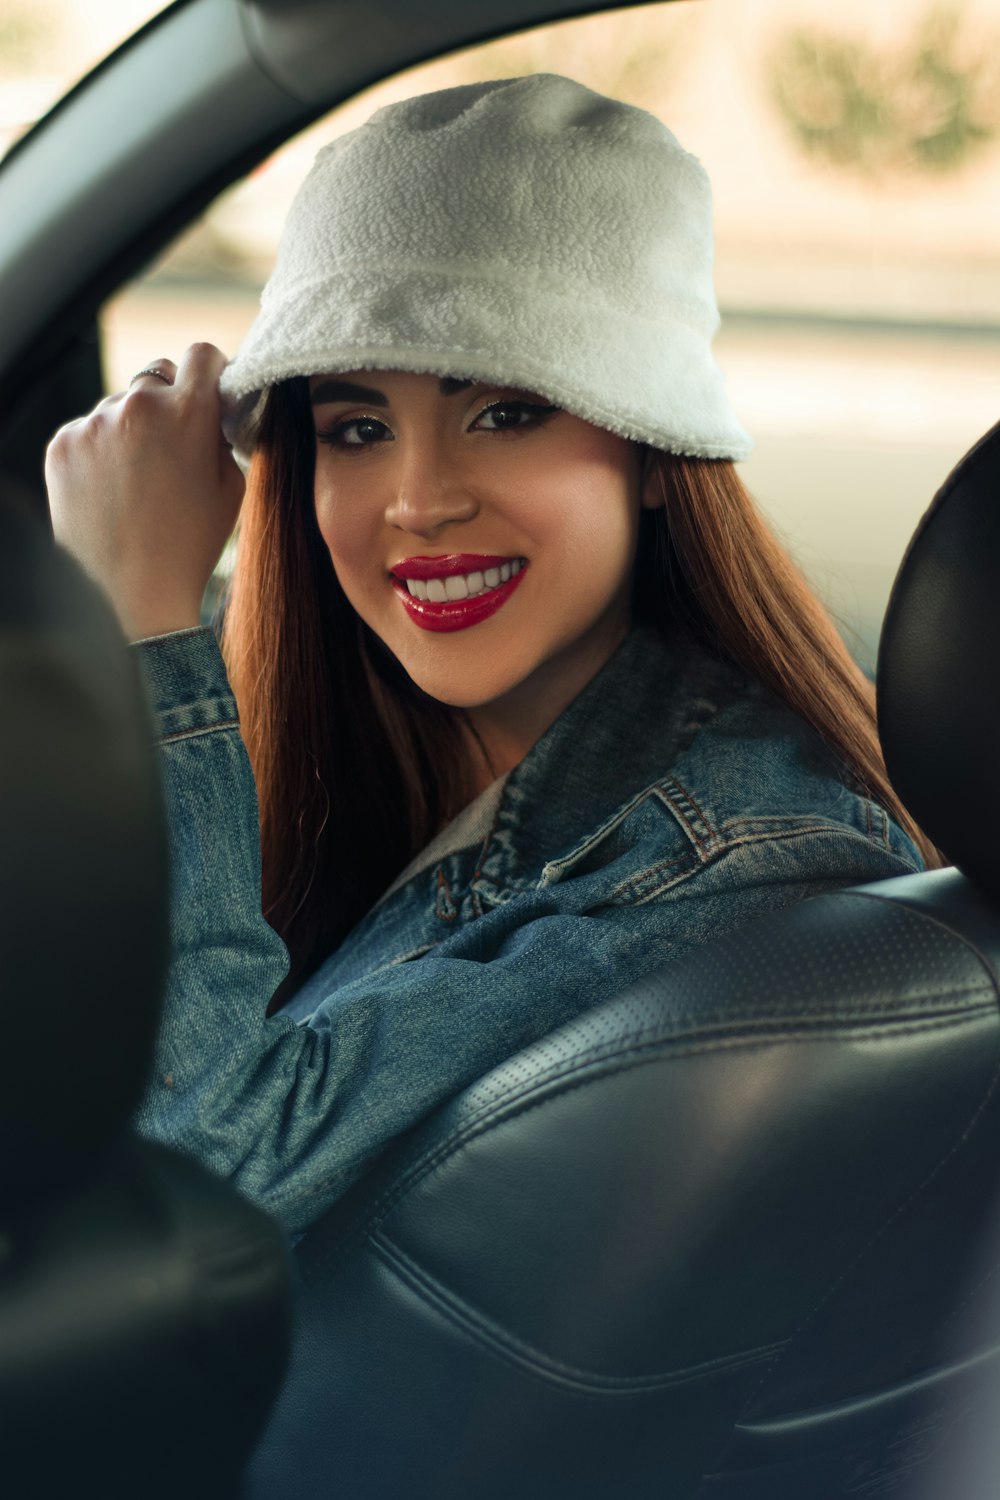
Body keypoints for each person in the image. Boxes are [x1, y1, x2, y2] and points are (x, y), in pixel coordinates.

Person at [45, 75, 933, 1238]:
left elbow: (189, 1196)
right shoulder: (385, 745)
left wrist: (137, 629)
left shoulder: (730, 866)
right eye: (357, 430)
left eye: (506, 412)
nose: (417, 502)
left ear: (659, 453)